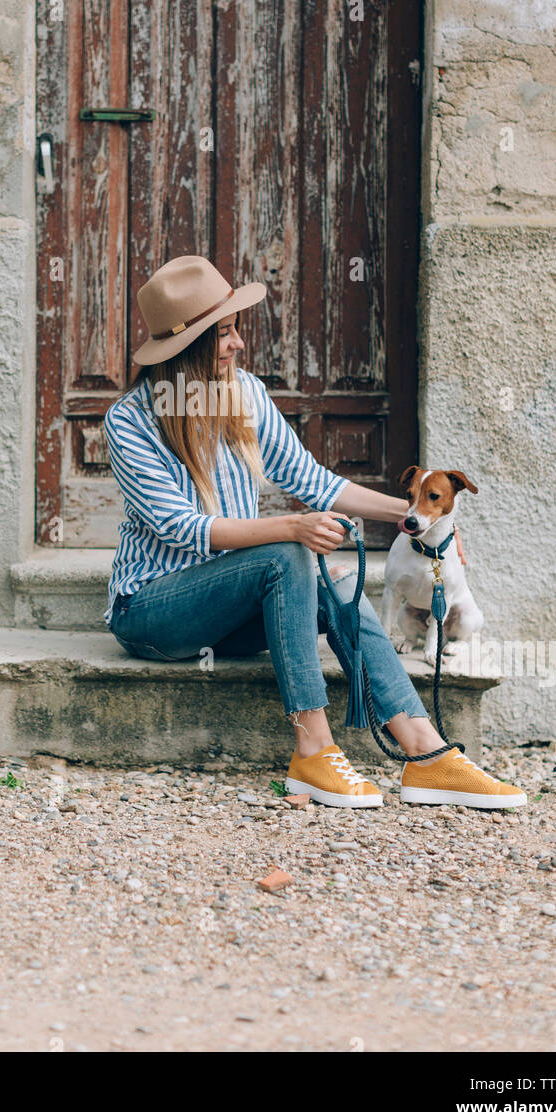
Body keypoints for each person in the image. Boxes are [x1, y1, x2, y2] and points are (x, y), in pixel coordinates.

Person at [103, 255, 526, 811]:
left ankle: (427, 755)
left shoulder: (246, 394)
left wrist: (419, 520)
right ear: (188, 346)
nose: (237, 345)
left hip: (231, 615)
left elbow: (311, 481)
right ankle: (314, 750)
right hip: (155, 611)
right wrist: (292, 527)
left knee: (338, 582)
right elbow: (182, 529)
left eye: (234, 330)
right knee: (286, 552)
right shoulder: (129, 421)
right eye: (224, 334)